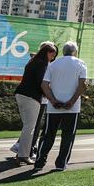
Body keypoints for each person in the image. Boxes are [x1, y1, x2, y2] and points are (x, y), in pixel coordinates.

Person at [34, 42, 87, 171]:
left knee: (47, 135)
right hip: (72, 108)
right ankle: (61, 163)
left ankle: (39, 162)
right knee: (68, 136)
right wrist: (72, 101)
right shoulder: (81, 64)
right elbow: (82, 85)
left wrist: (53, 100)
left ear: (63, 51)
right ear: (75, 52)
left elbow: (44, 84)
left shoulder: (53, 65)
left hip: (53, 108)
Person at [12, 42, 57, 164]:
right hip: (31, 97)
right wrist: (52, 97)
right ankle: (23, 155)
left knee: (27, 126)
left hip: (21, 94)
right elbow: (42, 83)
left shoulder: (32, 62)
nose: (52, 58)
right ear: (47, 53)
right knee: (30, 127)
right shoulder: (42, 64)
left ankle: (21, 153)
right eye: (52, 55)